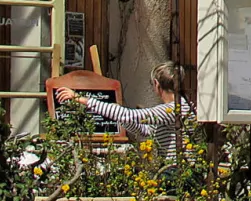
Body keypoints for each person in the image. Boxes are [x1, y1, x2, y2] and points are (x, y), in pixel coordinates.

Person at [56, 62, 193, 158]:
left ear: (157, 84)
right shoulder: (180, 107)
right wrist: (120, 116)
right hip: (176, 171)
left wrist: (81, 99)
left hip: (177, 172)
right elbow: (145, 130)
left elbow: (130, 115)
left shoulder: (173, 109)